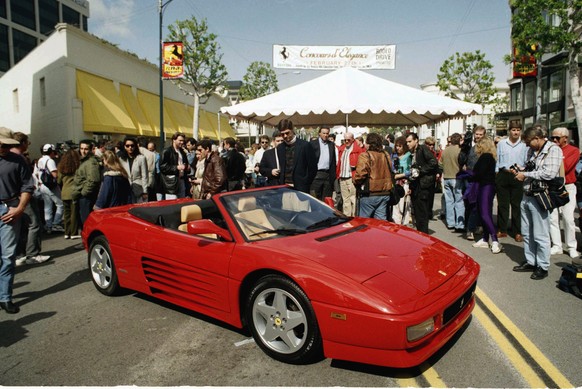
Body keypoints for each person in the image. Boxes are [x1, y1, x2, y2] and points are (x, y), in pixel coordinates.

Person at [512, 126, 563, 280]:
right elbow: (530, 167)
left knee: (541, 234)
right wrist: (520, 169)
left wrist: (524, 174)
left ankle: (543, 265)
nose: (527, 145)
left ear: (537, 138)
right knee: (527, 232)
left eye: (529, 142)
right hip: (527, 194)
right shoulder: (532, 151)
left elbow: (549, 173)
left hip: (540, 196)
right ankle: (531, 261)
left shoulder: (553, 150)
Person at [0, 127, 35, 313]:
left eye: (7, 145)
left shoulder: (17, 160)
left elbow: (27, 186)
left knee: (7, 256)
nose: (4, 147)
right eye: (2, 144)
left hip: (9, 209)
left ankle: (5, 297)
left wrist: (20, 208)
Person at [10, 132, 50, 265]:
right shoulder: (19, 158)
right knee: (34, 224)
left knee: (21, 226)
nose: (28, 145)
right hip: (23, 196)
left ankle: (20, 254)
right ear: (22, 143)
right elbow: (24, 181)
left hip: (13, 197)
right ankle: (33, 254)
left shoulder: (9, 157)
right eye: (27, 142)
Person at [549, 127, 579, 258]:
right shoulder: (550, 149)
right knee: (552, 218)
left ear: (565, 138)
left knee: (568, 218)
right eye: (553, 137)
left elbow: (566, 167)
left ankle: (571, 246)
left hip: (567, 186)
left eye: (557, 138)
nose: (554, 140)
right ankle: (557, 245)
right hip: (552, 186)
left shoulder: (573, 150)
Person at [495, 123, 527, 242]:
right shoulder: (502, 143)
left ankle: (517, 231)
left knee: (517, 205)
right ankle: (502, 229)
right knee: (503, 204)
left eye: (518, 130)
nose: (516, 132)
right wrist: (497, 173)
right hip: (503, 174)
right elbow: (497, 159)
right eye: (513, 130)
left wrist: (523, 173)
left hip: (517, 175)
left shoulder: (524, 145)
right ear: (509, 131)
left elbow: (526, 160)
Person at [470, 137, 502, 254]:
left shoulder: (485, 157)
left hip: (486, 186)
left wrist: (469, 174)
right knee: (484, 212)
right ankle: (485, 238)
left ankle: (494, 240)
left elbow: (479, 173)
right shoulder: (490, 157)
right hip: (486, 186)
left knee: (484, 213)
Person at [353, 133, 393, 219]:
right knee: (380, 224)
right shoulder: (386, 155)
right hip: (384, 192)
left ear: (369, 144)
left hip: (370, 193)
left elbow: (360, 175)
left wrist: (355, 181)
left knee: (364, 224)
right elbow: (390, 170)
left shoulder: (365, 155)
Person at [271, 119, 317, 193]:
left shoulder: (305, 145)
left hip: (301, 189)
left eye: (287, 133)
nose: (285, 136)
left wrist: (305, 183)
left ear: (292, 130)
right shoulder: (280, 148)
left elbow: (313, 168)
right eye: (282, 134)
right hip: (285, 188)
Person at [406, 133, 438, 234]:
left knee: (422, 213)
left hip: (423, 186)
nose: (408, 144)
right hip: (416, 185)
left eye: (410, 141)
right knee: (417, 212)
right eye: (407, 142)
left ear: (416, 140)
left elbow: (433, 162)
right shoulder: (411, 152)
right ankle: (421, 233)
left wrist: (420, 170)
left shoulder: (423, 149)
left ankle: (424, 235)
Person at [34, 143, 65, 233]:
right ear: (51, 151)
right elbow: (54, 174)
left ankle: (48, 225)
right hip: (51, 186)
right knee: (60, 204)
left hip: (42, 185)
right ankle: (56, 223)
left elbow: (36, 173)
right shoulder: (50, 161)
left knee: (47, 207)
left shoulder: (40, 160)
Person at [72, 139, 101, 226]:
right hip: (82, 195)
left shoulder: (90, 162)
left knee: (86, 223)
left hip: (87, 197)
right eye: (81, 148)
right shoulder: (84, 161)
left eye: (86, 149)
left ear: (91, 149)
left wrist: (84, 193)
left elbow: (93, 180)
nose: (83, 151)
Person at [440, 133, 465, 231]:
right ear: (459, 140)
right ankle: (460, 224)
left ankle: (450, 223)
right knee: (459, 201)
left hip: (446, 177)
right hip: (457, 177)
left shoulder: (445, 151)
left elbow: (440, 163)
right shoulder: (460, 150)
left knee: (449, 201)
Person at [336, 132, 364, 216]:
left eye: (348, 139)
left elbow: (361, 163)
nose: (346, 141)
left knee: (353, 199)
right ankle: (347, 217)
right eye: (345, 140)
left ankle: (354, 217)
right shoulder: (342, 149)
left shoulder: (357, 149)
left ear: (352, 139)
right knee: (345, 200)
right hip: (342, 177)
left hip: (351, 177)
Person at [57, 148, 81, 239]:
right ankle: (74, 233)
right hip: (74, 192)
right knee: (74, 214)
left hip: (64, 192)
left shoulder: (61, 167)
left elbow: (59, 180)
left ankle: (67, 232)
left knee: (66, 214)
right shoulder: (77, 166)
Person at [118, 136, 148, 204]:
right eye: (127, 146)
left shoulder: (141, 158)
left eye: (132, 145)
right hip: (126, 189)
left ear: (135, 146)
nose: (130, 148)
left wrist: (145, 191)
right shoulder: (122, 159)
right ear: (124, 147)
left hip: (138, 189)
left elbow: (144, 176)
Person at [160, 132, 189, 199]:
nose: (182, 142)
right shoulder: (166, 151)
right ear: (174, 140)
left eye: (183, 141)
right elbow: (162, 167)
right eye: (180, 140)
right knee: (172, 203)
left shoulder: (182, 152)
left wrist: (187, 167)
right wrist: (176, 167)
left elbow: (185, 163)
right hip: (171, 183)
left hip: (182, 180)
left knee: (182, 202)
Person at [310, 126, 337, 200]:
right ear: (319, 133)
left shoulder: (331, 144)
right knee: (314, 198)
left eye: (327, 133)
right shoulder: (312, 144)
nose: (325, 135)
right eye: (323, 133)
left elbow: (333, 161)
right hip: (316, 175)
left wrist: (333, 176)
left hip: (328, 175)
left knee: (327, 199)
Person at [392, 136, 412, 225]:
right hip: (395, 183)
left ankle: (404, 224)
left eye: (400, 146)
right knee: (395, 204)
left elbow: (411, 170)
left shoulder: (408, 156)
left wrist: (401, 175)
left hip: (405, 183)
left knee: (404, 206)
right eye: (396, 146)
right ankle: (396, 223)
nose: (397, 148)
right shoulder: (393, 156)